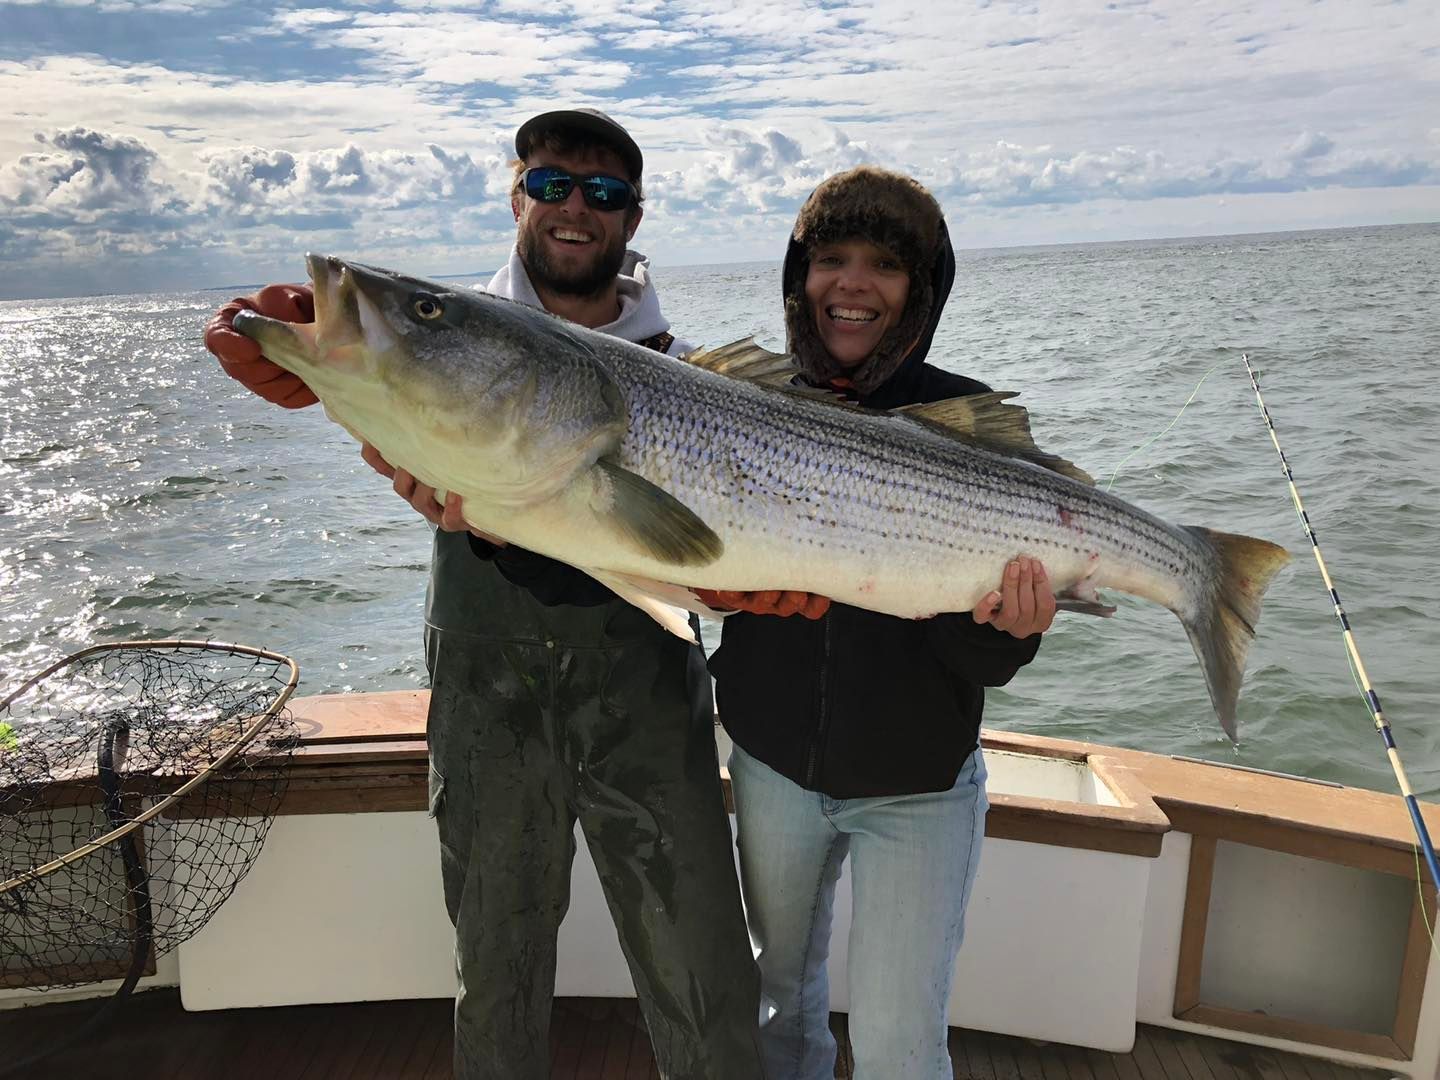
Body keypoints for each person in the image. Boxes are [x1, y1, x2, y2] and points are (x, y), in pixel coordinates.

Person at [204, 109, 765, 1080]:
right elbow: (342, 381)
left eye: (604, 191)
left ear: (634, 216)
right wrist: (299, 368)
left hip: (646, 690)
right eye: (551, 184)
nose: (575, 208)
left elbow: (704, 565)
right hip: (485, 689)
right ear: (516, 197)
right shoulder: (442, 334)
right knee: (496, 970)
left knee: (703, 969)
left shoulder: (683, 374)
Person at [698, 166, 1056, 1079]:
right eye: (830, 258)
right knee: (779, 1009)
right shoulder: (738, 398)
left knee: (900, 1044)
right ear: (797, 276)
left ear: (922, 290)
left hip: (920, 786)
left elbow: (984, 661)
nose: (852, 284)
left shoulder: (965, 416)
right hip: (773, 763)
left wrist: (1007, 625)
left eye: (886, 264)